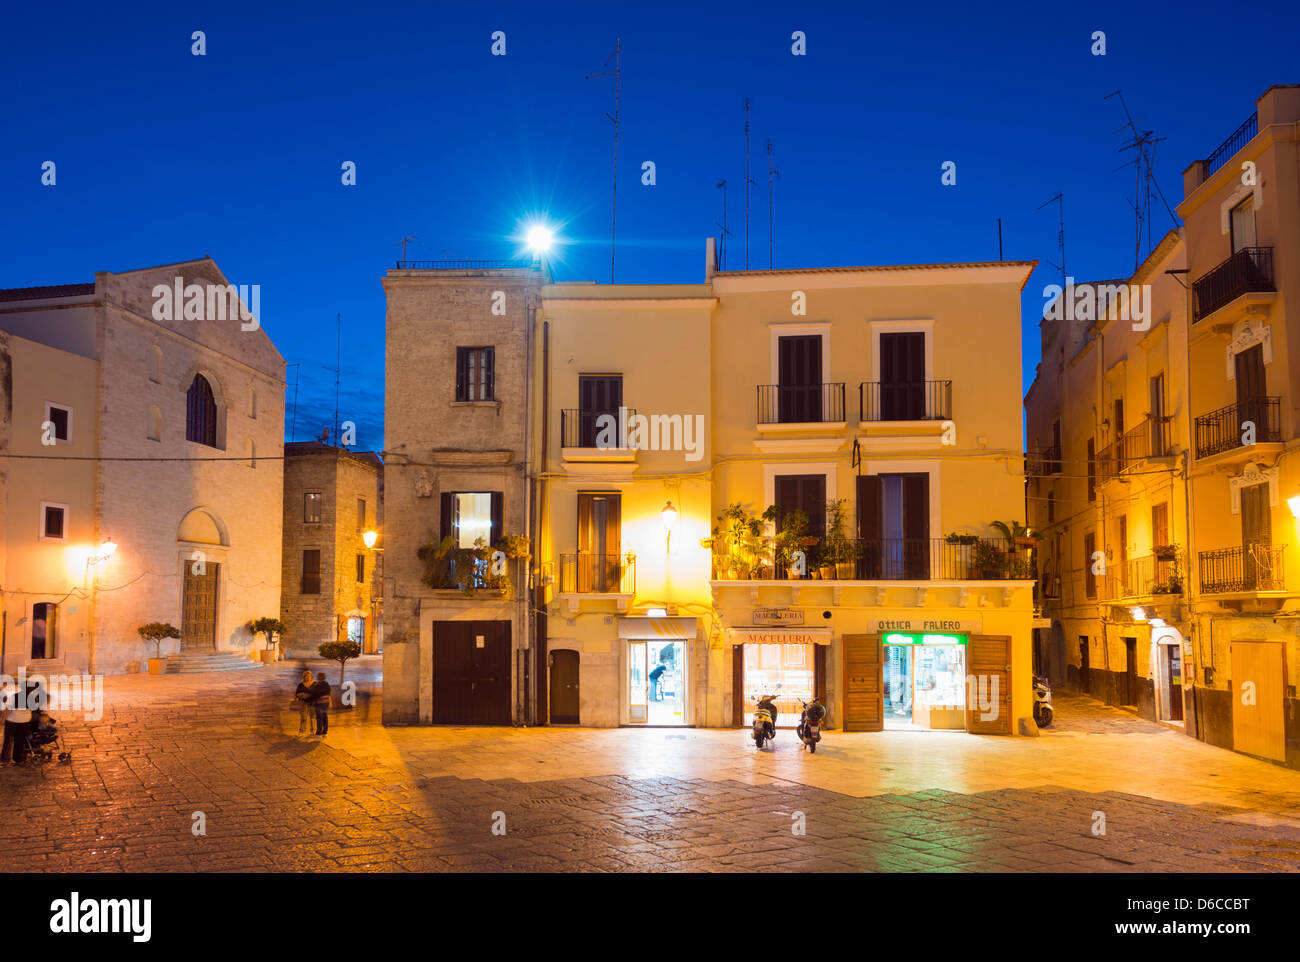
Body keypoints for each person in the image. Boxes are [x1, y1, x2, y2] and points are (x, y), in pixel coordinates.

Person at [1, 680, 31, 765]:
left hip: (12, 721)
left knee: (8, 740)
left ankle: (5, 758)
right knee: (19, 740)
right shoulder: (34, 698)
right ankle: (18, 759)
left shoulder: (15, 696)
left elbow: (7, 706)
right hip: (25, 721)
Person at [309, 672, 332, 737]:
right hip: (326, 702)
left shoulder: (317, 685)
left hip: (319, 703)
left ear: (318, 677)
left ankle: (319, 732)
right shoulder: (327, 684)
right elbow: (328, 692)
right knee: (324, 716)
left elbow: (314, 693)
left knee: (319, 717)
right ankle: (325, 731)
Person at [294, 670, 315, 735]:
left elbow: (318, 693)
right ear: (304, 677)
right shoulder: (301, 685)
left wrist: (310, 695)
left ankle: (313, 731)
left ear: (311, 677)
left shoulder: (315, 684)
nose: (308, 677)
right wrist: (302, 695)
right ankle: (302, 731)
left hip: (313, 703)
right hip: (303, 703)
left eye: (309, 676)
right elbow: (297, 694)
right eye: (306, 676)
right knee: (303, 718)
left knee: (313, 718)